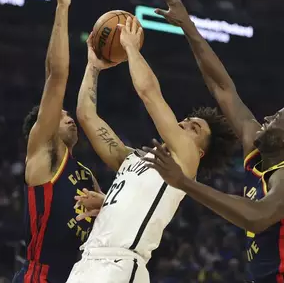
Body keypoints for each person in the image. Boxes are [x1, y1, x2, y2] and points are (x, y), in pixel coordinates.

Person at [144, 0, 284, 283]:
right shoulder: (257, 148)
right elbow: (223, 88)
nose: (266, 118)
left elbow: (256, 216)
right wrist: (189, 27)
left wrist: (184, 182)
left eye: (277, 118)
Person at [67, 17, 236, 283]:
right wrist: (93, 66)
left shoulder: (185, 163)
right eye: (187, 119)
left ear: (200, 152)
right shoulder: (131, 158)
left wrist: (131, 48)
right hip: (87, 261)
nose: (184, 123)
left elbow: (149, 93)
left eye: (195, 129)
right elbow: (86, 116)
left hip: (120, 266)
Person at [12, 0, 101, 283]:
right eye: (61, 115)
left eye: (68, 114)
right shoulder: (43, 155)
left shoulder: (86, 173)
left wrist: (105, 203)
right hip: (42, 275)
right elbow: (57, 74)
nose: (69, 117)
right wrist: (63, 8)